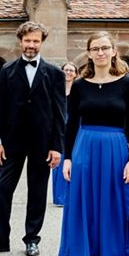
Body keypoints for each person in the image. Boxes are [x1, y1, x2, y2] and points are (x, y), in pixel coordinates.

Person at [59, 31, 129, 256]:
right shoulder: (79, 85)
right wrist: (67, 158)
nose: (100, 52)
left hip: (116, 149)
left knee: (114, 208)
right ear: (88, 53)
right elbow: (71, 123)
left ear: (113, 51)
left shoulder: (128, 84)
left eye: (105, 48)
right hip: (85, 150)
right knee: (87, 208)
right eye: (95, 48)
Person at [0, 20, 66, 256]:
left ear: (41, 43)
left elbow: (60, 113)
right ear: (20, 41)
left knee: (37, 192)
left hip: (42, 143)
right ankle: (0, 239)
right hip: (11, 142)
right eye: (27, 40)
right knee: (1, 189)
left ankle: (32, 239)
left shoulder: (55, 73)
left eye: (36, 41)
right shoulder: (6, 70)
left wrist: (57, 147)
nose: (31, 45)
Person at [51, 62, 78, 206]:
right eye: (65, 70)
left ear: (75, 74)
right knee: (59, 159)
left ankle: (73, 195)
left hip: (75, 126)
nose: (68, 72)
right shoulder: (56, 89)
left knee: (75, 160)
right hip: (59, 127)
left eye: (71, 70)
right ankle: (60, 197)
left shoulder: (79, 89)